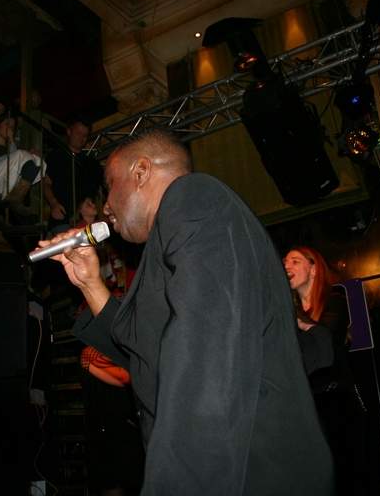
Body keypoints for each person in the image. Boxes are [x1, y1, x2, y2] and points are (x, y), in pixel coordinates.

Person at [36, 128, 333, 494]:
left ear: (141, 172)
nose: (106, 205)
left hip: (250, 471)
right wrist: (89, 283)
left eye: (110, 185)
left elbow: (206, 355)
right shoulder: (170, 243)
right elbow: (147, 352)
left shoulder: (192, 197)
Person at [284, 246, 368, 495]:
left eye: (295, 261)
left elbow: (327, 341)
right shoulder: (287, 310)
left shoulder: (335, 301)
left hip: (337, 401)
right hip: (306, 403)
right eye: (285, 262)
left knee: (347, 474)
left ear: (313, 269)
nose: (286, 266)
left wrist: (294, 317)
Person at [42, 118, 104, 233]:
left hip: (87, 220)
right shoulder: (55, 156)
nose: (81, 138)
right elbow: (46, 184)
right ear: (69, 132)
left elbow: (98, 192)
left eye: (85, 135)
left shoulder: (92, 163)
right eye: (78, 133)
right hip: (62, 218)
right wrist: (54, 204)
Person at [0, 114, 46, 216]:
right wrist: (14, 144)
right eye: (7, 124)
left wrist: (29, 155)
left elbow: (16, 160)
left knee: (36, 160)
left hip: (8, 179)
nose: (10, 129)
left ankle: (16, 197)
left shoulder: (11, 148)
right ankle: (16, 199)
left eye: (12, 127)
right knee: (22, 154)